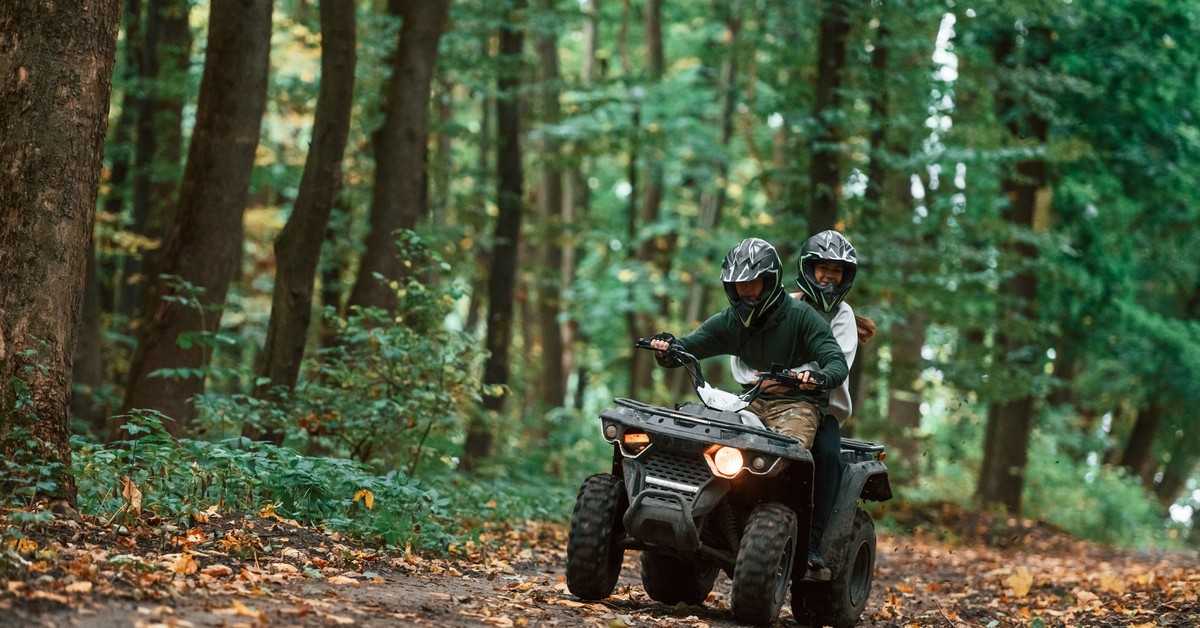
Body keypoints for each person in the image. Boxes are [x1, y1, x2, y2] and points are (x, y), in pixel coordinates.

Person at [647, 237, 849, 566]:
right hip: (750, 401)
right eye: (739, 285)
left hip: (798, 405)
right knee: (712, 440)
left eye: (753, 282)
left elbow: (836, 362)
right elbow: (688, 347)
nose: (747, 291)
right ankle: (710, 515)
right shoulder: (730, 322)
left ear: (769, 281)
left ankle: (802, 538)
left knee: (789, 459)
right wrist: (666, 348)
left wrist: (820, 378)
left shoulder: (801, 317)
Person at [730, 229, 875, 570]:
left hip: (819, 408)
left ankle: (812, 541)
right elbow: (746, 343)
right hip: (761, 397)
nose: (828, 275)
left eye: (836, 270)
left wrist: (789, 377)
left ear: (845, 276)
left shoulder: (842, 316)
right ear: (808, 269)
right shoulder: (782, 303)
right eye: (822, 267)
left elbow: (833, 363)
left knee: (825, 455)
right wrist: (753, 377)